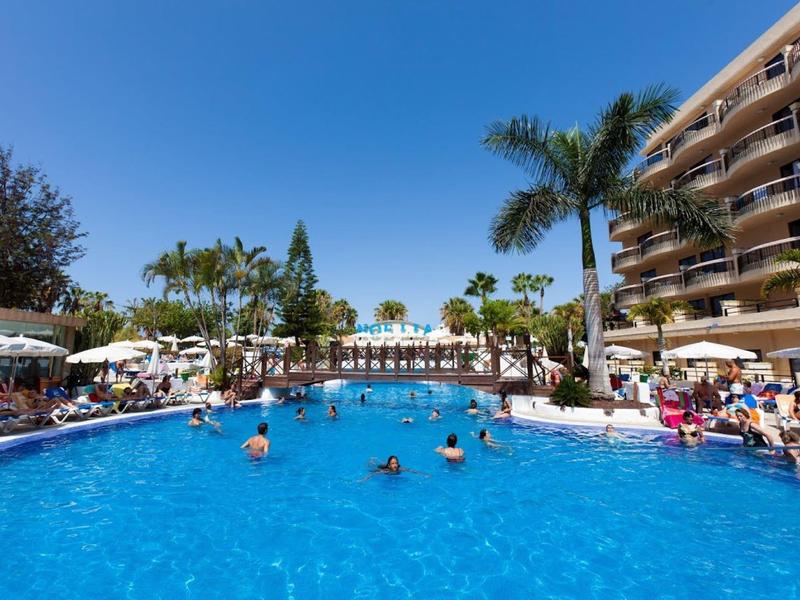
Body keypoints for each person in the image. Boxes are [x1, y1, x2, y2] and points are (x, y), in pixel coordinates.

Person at [361, 455, 428, 481]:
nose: (395, 465)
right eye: (393, 464)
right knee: (372, 469)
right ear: (390, 465)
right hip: (381, 468)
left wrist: (424, 474)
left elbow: (412, 471)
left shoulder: (400, 469)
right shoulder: (386, 471)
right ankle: (371, 461)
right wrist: (364, 479)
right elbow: (372, 474)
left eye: (396, 463)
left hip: (387, 465)